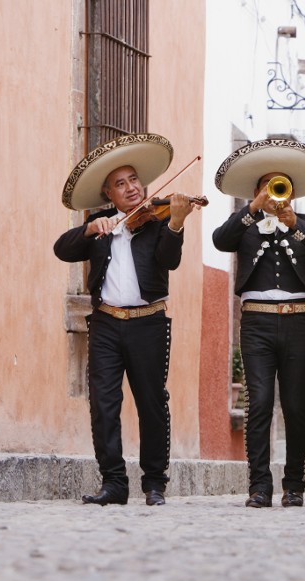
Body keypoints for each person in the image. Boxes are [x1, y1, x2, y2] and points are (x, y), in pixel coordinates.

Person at [54, 133, 197, 506]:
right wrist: (88, 228)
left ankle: (154, 484)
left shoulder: (156, 223)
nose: (131, 188)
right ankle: (114, 483)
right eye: (121, 184)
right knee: (103, 403)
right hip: (104, 324)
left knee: (151, 402)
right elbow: (61, 248)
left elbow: (169, 260)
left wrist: (177, 223)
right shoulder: (100, 226)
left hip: (148, 323)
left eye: (134, 180)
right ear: (109, 194)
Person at [212, 139, 305, 508]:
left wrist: (295, 223)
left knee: (297, 406)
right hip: (256, 324)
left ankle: (294, 484)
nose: (275, 193)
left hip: (297, 323)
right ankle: (259, 486)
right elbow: (220, 241)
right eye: (267, 187)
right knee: (259, 403)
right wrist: (252, 209)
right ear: (256, 191)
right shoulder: (246, 224)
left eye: (280, 186)